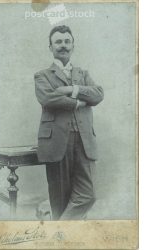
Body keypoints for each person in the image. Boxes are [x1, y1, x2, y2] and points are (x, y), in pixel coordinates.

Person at [34, 25, 104, 220]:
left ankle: (57, 229)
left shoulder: (83, 74)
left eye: (67, 41)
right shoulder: (42, 75)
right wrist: (79, 100)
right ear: (50, 47)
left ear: (73, 45)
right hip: (57, 142)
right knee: (60, 200)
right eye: (58, 42)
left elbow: (98, 94)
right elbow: (48, 99)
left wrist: (71, 89)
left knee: (87, 195)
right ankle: (62, 238)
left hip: (84, 141)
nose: (63, 45)